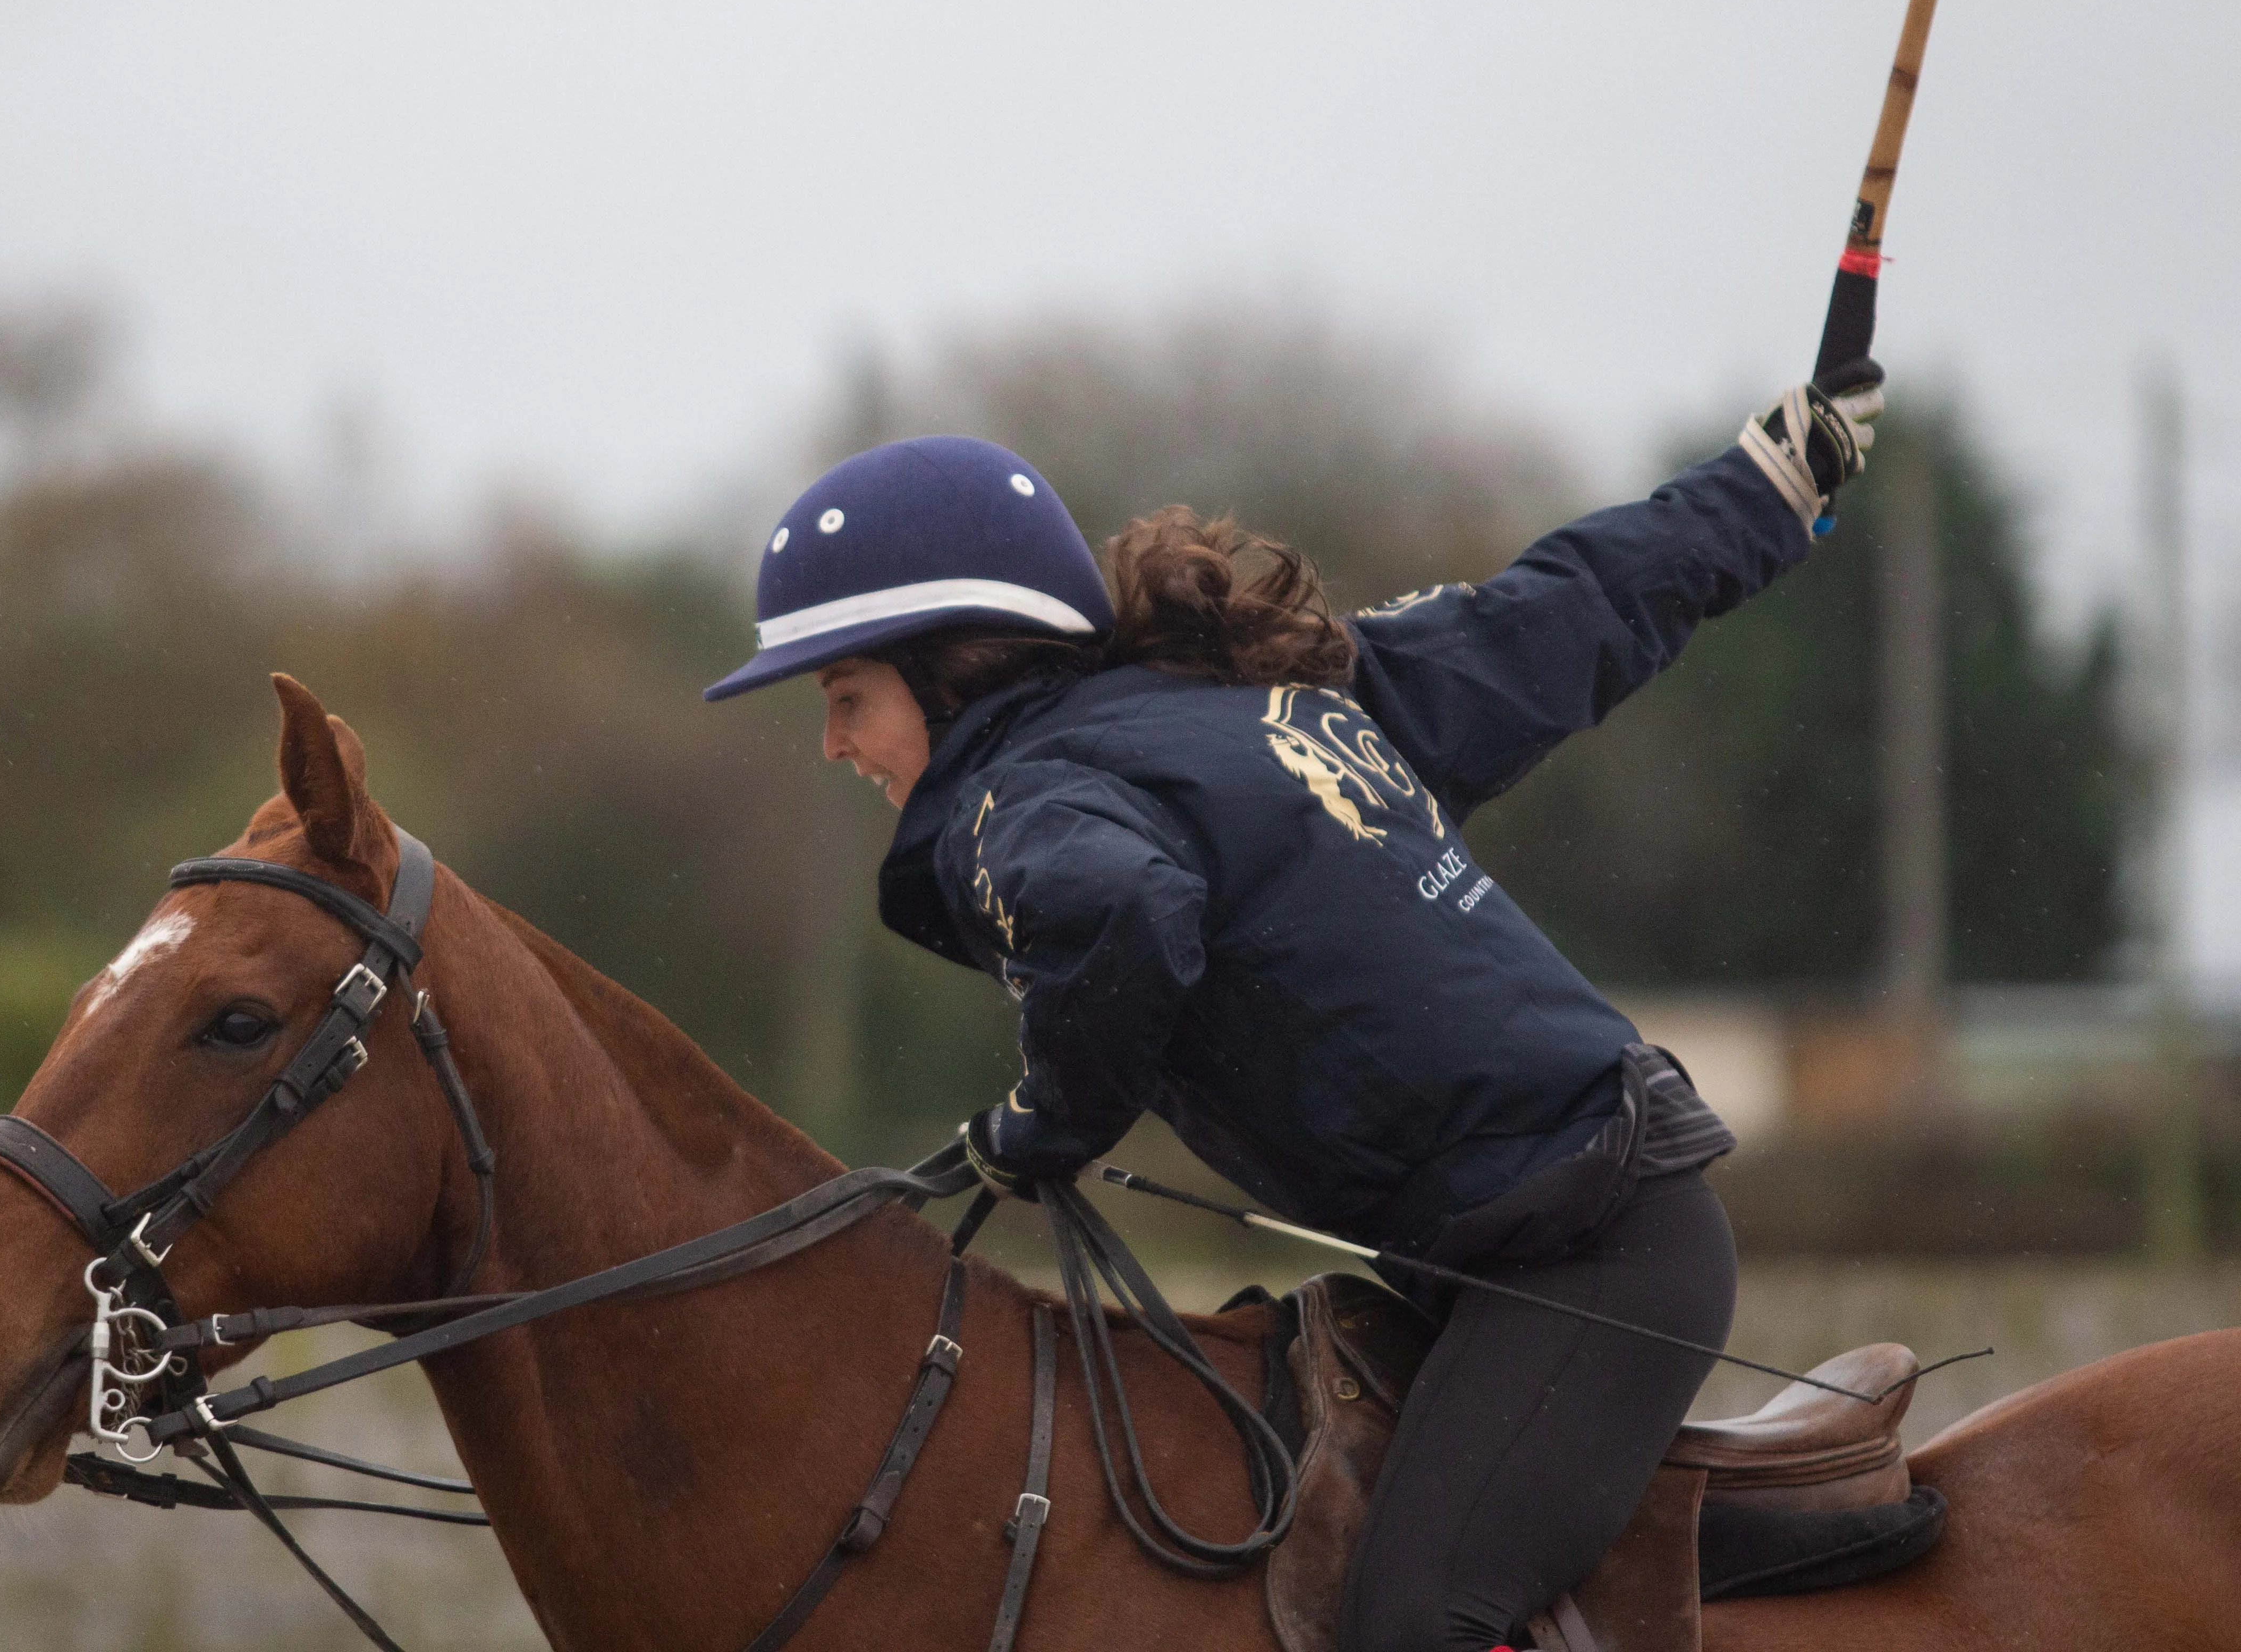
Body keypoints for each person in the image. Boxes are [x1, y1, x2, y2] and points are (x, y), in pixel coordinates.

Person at [703, 369, 1879, 1652]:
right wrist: (1767, 489)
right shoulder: (1248, 701)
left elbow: (1124, 915)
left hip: (1590, 1256)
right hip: (1539, 1251)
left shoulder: (1019, 801)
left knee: (1414, 1624)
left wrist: (1041, 1123)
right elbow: (1558, 618)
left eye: (847, 700)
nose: (835, 746)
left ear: (950, 674)